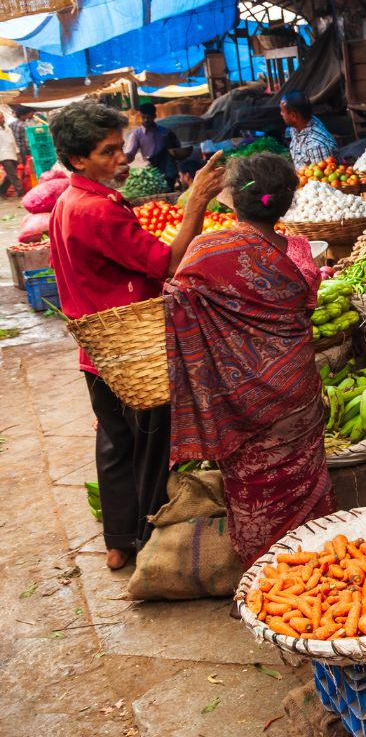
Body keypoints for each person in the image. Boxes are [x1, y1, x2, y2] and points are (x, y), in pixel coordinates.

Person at [47, 101, 226, 571]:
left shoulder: (68, 202)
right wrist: (198, 200)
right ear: (78, 159)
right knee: (150, 446)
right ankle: (150, 544)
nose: (122, 159)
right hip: (134, 351)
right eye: (108, 152)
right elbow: (168, 263)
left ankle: (118, 542)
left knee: (114, 443)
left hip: (98, 353)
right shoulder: (99, 211)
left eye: (120, 147)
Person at [164, 152, 333, 566]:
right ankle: (320, 567)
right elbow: (307, 303)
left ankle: (263, 577)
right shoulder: (298, 251)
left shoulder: (207, 249)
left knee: (250, 487)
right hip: (297, 389)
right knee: (306, 480)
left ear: (232, 200)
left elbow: (176, 292)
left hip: (241, 401)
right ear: (287, 202)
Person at [123, 102, 182, 184]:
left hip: (167, 172)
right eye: (144, 117)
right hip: (151, 173)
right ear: (141, 116)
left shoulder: (165, 132)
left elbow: (177, 149)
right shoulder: (136, 134)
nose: (146, 120)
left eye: (149, 117)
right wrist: (123, 159)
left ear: (154, 117)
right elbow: (130, 154)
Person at [279, 90, 338, 168]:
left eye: (282, 111)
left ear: (293, 116)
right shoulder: (297, 126)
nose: (281, 113)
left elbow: (321, 178)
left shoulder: (316, 146)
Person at [0, 112, 20, 197]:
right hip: (3, 155)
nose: (2, 119)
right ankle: (20, 191)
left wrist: (17, 152)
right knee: (12, 174)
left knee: (11, 174)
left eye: (2, 117)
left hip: (12, 153)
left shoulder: (7, 128)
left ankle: (2, 190)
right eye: (0, 118)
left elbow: (13, 141)